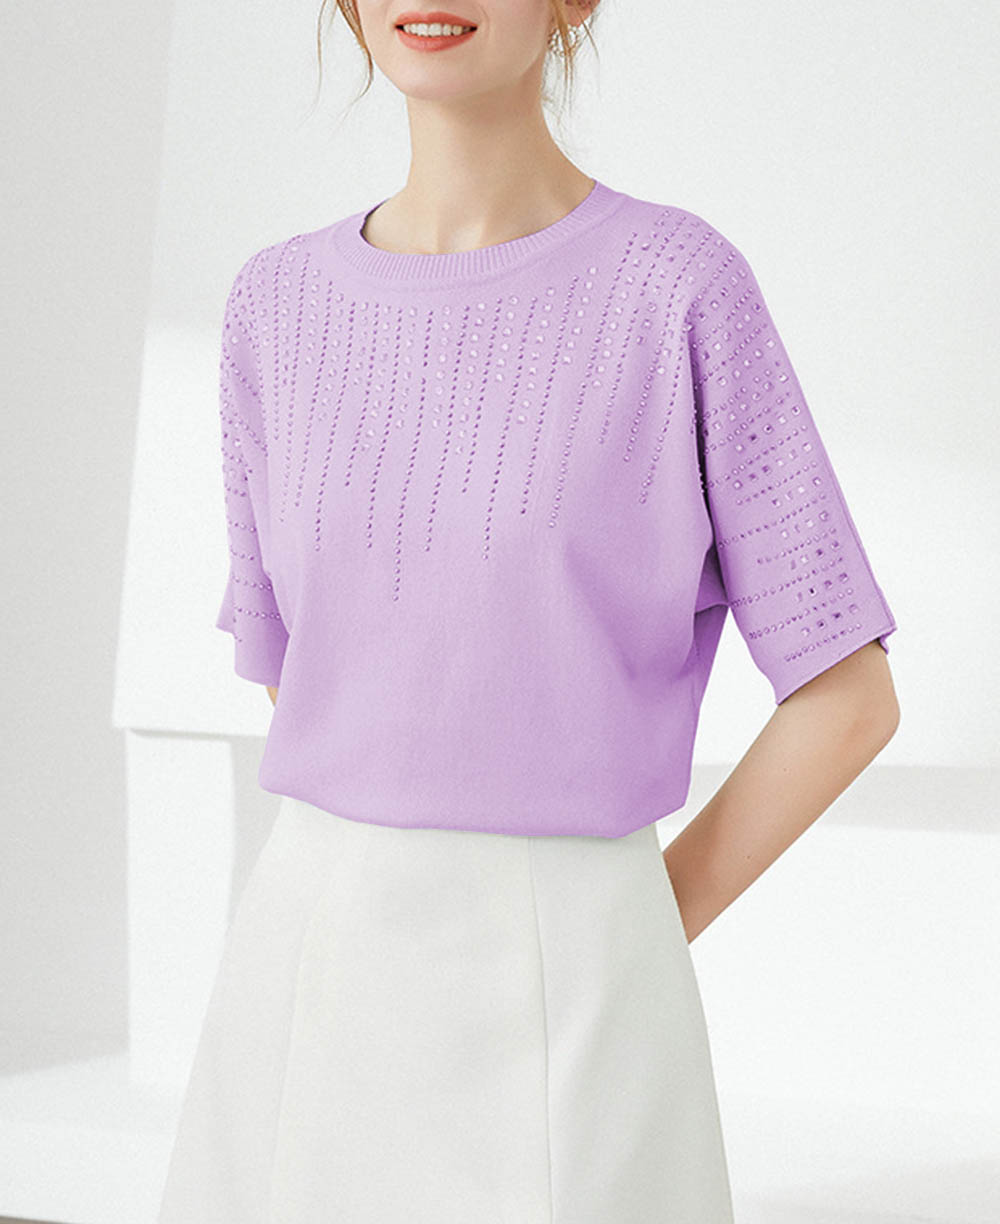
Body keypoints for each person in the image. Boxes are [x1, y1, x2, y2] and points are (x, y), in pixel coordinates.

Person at [158, 1, 900, 1220]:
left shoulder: (677, 290)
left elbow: (847, 698)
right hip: (306, 962)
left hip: (576, 982)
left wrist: (634, 923)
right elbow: (307, 676)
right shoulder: (273, 306)